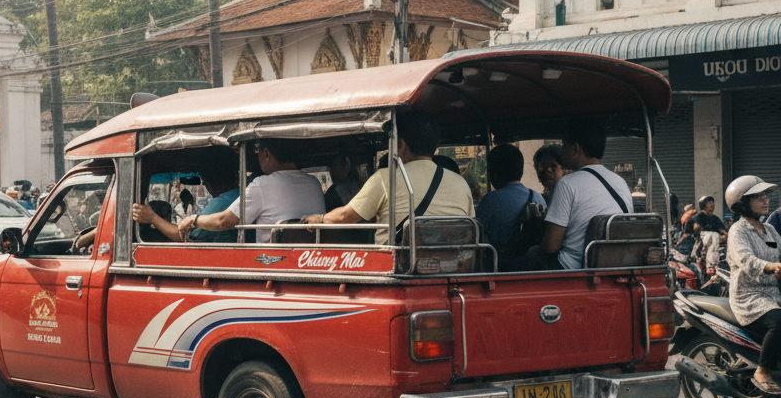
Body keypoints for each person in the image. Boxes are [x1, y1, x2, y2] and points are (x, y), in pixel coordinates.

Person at [306, 111, 474, 243]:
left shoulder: (386, 178)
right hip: (454, 268)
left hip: (399, 268)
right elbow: (471, 228)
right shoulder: (461, 183)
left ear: (400, 144)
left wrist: (319, 219)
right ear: (434, 145)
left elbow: (345, 217)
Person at [533, 119, 632, 270]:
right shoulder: (620, 182)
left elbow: (551, 246)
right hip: (613, 266)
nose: (562, 151)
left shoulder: (567, 184)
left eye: (564, 145)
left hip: (570, 268)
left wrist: (535, 249)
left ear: (575, 148)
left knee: (513, 264)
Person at [183, 139, 324, 244]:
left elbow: (223, 221)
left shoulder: (262, 184)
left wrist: (194, 220)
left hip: (271, 263)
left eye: (258, 153)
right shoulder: (314, 183)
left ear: (266, 153)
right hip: (311, 258)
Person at [723, 175, 781, 395]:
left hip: (773, 293)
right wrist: (771, 266)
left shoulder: (771, 231)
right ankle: (763, 370)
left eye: (766, 196)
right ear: (743, 203)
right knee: (778, 321)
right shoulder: (738, 231)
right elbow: (746, 260)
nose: (765, 200)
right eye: (758, 197)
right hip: (749, 297)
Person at [134, 151, 241, 243]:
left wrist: (152, 217)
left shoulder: (221, 203)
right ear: (236, 176)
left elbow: (184, 237)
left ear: (204, 181)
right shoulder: (242, 197)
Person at [475, 144, 546, 269]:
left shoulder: (490, 200)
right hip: (532, 266)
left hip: (500, 268)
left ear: (492, 174)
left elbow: (478, 237)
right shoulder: (537, 197)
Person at [692, 194, 726, 273]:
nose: (712, 205)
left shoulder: (715, 218)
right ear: (703, 205)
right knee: (713, 235)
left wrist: (727, 235)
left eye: (712, 203)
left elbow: (724, 231)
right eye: (709, 203)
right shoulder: (699, 216)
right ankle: (710, 265)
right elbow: (695, 228)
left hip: (714, 243)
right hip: (700, 242)